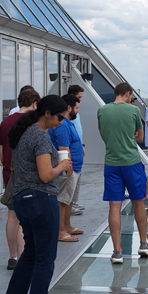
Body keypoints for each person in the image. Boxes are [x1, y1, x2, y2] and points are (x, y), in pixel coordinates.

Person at [0, 95, 72, 294]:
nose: (61, 122)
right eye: (60, 117)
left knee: (30, 254)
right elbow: (45, 175)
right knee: (44, 259)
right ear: (48, 113)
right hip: (41, 199)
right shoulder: (40, 136)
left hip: (22, 199)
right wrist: (61, 166)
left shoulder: (24, 132)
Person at [98, 82, 148, 264]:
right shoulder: (133, 111)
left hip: (111, 163)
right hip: (131, 162)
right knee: (138, 203)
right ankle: (143, 243)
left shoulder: (102, 111)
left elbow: (103, 135)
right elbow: (141, 137)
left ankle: (117, 251)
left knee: (114, 206)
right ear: (128, 94)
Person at [0, 88, 41, 269]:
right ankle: (24, 258)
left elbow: (1, 149)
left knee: (12, 215)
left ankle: (12, 257)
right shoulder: (32, 123)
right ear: (34, 103)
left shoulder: (6, 122)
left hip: (9, 173)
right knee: (25, 218)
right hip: (27, 175)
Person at [49, 94, 84, 242]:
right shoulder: (62, 126)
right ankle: (60, 231)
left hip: (75, 167)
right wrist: (68, 167)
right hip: (68, 168)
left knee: (69, 200)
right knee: (62, 200)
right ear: (68, 108)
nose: (77, 111)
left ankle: (67, 226)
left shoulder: (68, 123)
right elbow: (63, 149)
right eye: (76, 108)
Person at [68, 84, 85, 215]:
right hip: (72, 152)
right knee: (71, 180)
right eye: (78, 98)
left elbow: (78, 129)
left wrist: (82, 145)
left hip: (78, 147)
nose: (80, 100)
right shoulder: (67, 118)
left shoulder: (76, 112)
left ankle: (73, 202)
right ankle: (69, 205)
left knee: (77, 179)